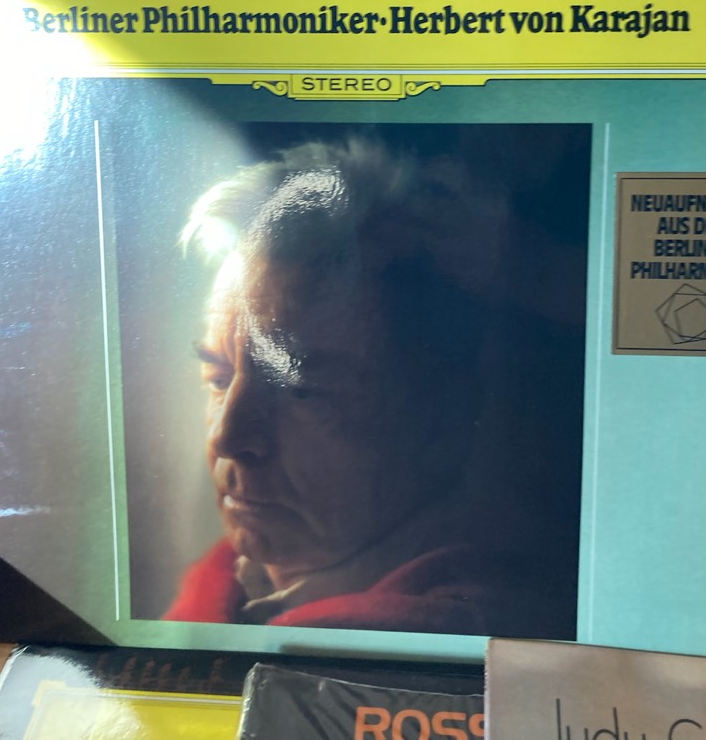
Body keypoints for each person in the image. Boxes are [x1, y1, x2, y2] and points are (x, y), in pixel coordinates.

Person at [164, 133, 580, 636]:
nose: (227, 437)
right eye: (218, 376)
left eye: (301, 390)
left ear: (447, 419)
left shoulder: (463, 637)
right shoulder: (220, 587)